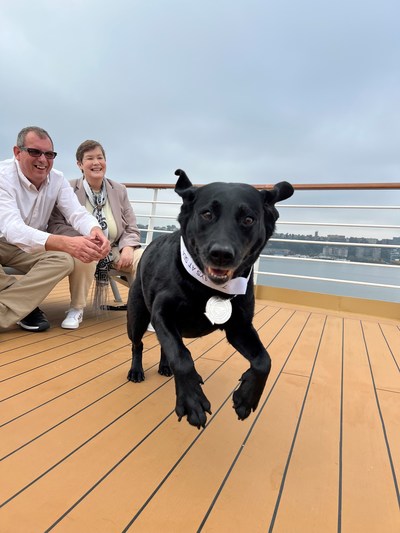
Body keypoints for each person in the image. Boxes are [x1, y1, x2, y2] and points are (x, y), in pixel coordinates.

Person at [0, 126, 110, 332]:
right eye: (35, 152)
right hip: (3, 240)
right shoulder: (2, 176)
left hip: (29, 247)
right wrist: (65, 242)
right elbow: (12, 228)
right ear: (17, 153)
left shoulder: (57, 179)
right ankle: (25, 307)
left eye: (49, 154)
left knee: (64, 260)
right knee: (65, 251)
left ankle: (15, 306)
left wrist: (95, 230)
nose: (43, 159)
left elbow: (76, 212)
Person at [47, 139, 142, 329]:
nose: (96, 162)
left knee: (145, 258)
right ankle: (76, 309)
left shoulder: (119, 190)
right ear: (80, 164)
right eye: (89, 158)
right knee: (85, 254)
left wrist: (129, 247)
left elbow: (131, 226)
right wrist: (82, 240)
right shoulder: (68, 188)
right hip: (83, 244)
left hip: (115, 246)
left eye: (100, 157)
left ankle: (146, 311)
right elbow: (55, 224)